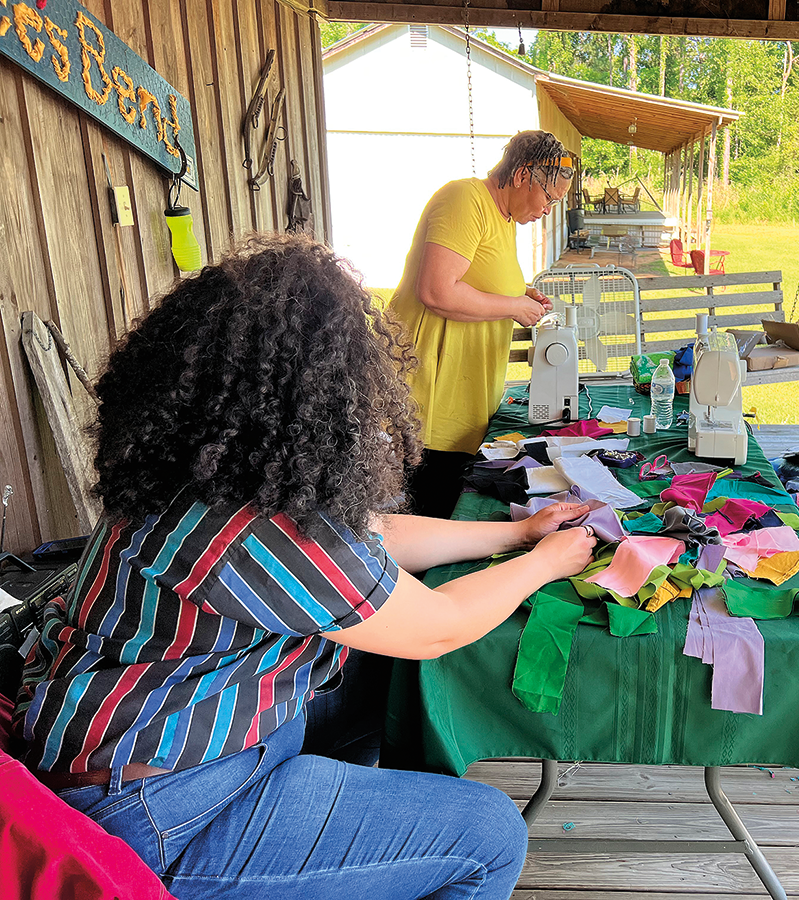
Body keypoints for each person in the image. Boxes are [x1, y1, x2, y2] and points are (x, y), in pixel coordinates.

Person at [16, 235, 598, 900]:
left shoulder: (197, 475)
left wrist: (515, 534)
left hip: (144, 747)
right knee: (491, 837)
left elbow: (380, 535)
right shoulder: (248, 527)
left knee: (385, 678)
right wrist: (546, 563)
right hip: (158, 809)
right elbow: (438, 627)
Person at [389, 130, 575, 518]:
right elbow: (437, 290)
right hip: (430, 395)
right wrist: (513, 305)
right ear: (524, 175)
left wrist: (520, 292)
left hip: (465, 394)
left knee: (448, 505)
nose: (548, 210)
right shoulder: (464, 199)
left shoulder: (503, 217)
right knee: (429, 512)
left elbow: (477, 276)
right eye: (548, 198)